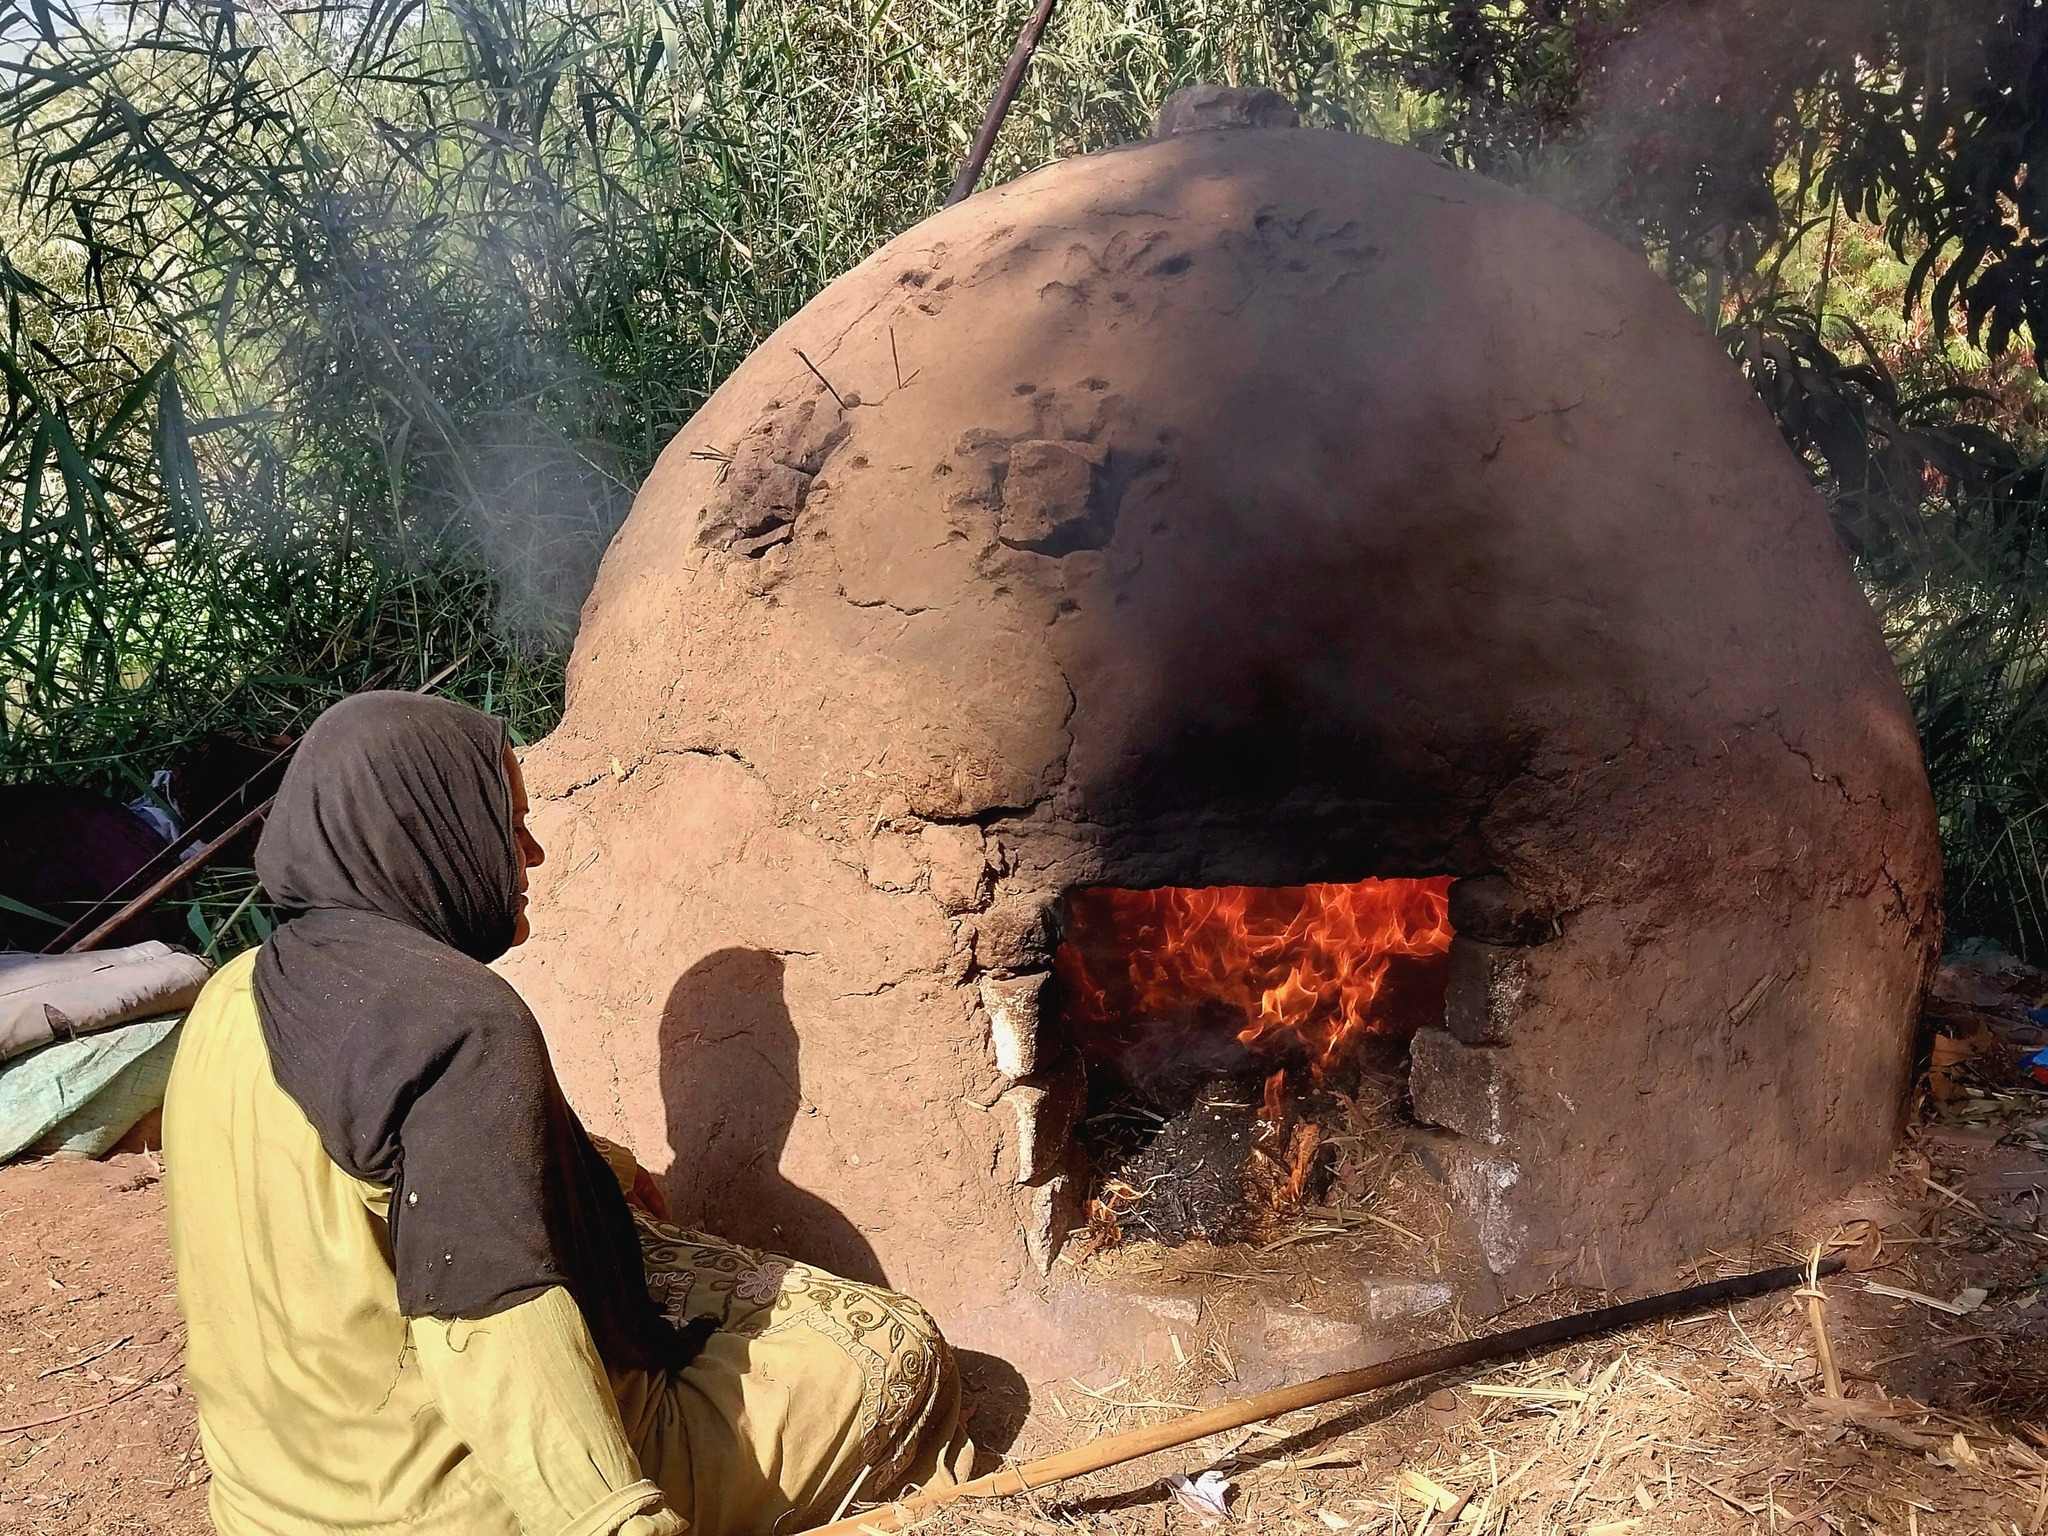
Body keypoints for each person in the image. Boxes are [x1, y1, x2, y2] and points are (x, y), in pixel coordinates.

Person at [163, 692, 972, 1536]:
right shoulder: (463, 1027)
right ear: (426, 832)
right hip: (453, 1508)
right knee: (892, 1346)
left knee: (644, 1234)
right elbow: (488, 1321)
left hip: (276, 1501)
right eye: (506, 826)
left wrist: (600, 1168)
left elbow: (375, 1151)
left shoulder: (235, 990)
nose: (533, 853)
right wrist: (614, 1521)